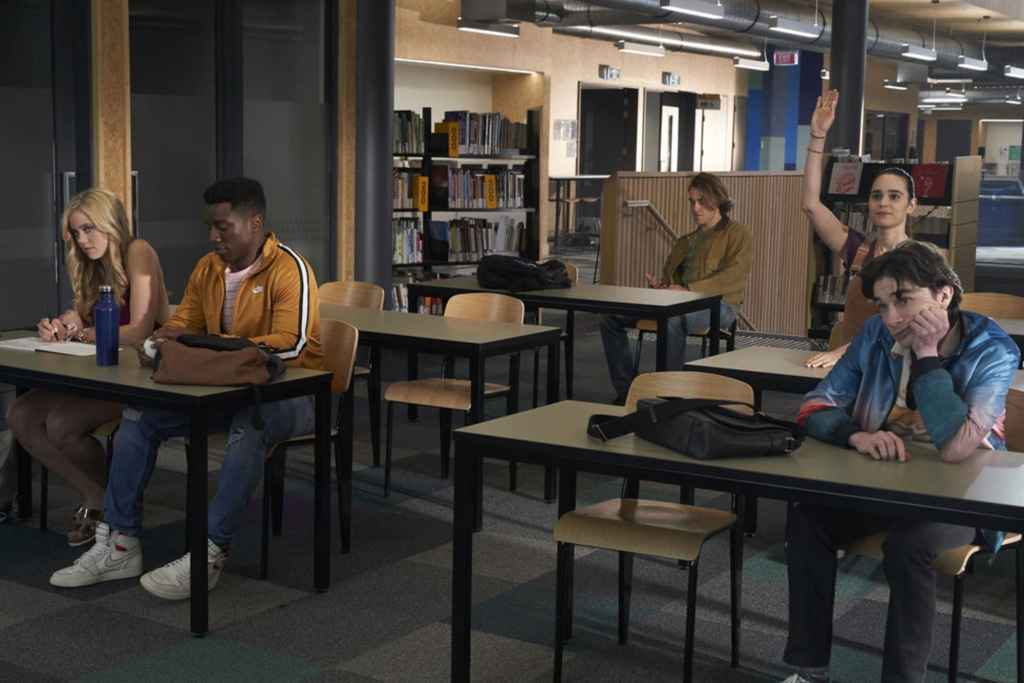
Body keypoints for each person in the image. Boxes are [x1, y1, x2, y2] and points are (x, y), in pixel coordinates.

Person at [49, 177, 323, 600]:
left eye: (223, 227)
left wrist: (211, 351)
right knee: (138, 416)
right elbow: (178, 328)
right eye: (209, 227)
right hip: (220, 389)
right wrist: (161, 344)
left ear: (255, 223)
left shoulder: (291, 268)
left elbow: (292, 347)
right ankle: (120, 544)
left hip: (289, 395)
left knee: (251, 424)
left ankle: (210, 550)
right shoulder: (207, 269)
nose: (213, 237)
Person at [781, 241, 1020, 683]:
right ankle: (808, 670)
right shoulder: (875, 333)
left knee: (910, 547)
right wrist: (856, 434)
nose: (890, 317)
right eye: (882, 304)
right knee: (808, 519)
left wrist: (926, 356)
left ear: (944, 295)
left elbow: (957, 447)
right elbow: (814, 406)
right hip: (889, 484)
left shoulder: (993, 349)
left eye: (903, 300)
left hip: (967, 497)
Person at [7, 189, 169, 545]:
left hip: (139, 377)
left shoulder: (137, 250)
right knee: (20, 413)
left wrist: (83, 333)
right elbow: (82, 316)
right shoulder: (91, 263)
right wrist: (61, 325)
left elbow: (140, 330)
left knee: (61, 423)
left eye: (89, 229)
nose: (82, 240)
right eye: (76, 233)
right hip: (99, 374)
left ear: (109, 223)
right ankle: (97, 494)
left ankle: (114, 505)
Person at [600, 172, 753, 404]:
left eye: (701, 201)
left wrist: (688, 289)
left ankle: (669, 396)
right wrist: (662, 287)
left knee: (672, 319)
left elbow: (733, 277)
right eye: (692, 201)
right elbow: (672, 279)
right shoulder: (685, 241)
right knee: (610, 318)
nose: (695, 208)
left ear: (717, 200)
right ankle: (628, 391)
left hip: (720, 306)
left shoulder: (738, 234)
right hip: (677, 303)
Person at [803, 89, 917, 368]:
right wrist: (817, 136)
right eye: (877, 196)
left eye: (894, 196)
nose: (884, 203)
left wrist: (843, 352)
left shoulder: (919, 260)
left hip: (893, 368)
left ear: (911, 205)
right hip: (852, 366)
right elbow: (811, 205)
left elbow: (902, 327)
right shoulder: (860, 250)